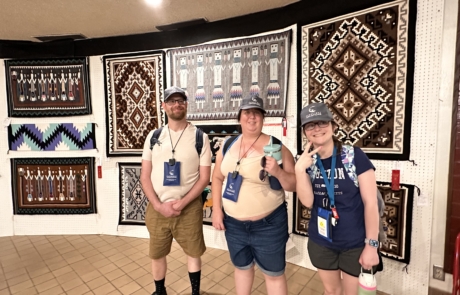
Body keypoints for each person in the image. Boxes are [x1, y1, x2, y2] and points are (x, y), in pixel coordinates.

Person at [211, 95, 296, 295]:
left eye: (257, 113)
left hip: (269, 226)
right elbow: (216, 178)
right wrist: (216, 210)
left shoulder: (277, 147)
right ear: (239, 117)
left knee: (274, 275)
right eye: (247, 112)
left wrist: (278, 172)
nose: (252, 117)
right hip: (234, 225)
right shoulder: (227, 145)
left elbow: (293, 185)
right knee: (242, 269)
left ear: (263, 118)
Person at [295, 103, 380, 295]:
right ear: (305, 132)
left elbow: (371, 203)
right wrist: (299, 170)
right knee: (332, 291)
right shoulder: (306, 162)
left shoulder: (353, 156)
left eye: (322, 122)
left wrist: (371, 245)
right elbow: (307, 202)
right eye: (310, 125)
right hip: (322, 241)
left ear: (333, 126)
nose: (317, 128)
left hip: (355, 243)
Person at [140, 86, 212, 295]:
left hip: (188, 208)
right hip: (157, 208)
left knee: (193, 253)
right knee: (157, 253)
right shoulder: (153, 137)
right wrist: (158, 205)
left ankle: (195, 292)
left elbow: (204, 178)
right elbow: (145, 176)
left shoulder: (200, 137)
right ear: (164, 106)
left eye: (181, 100)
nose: (176, 104)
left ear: (186, 105)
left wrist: (182, 203)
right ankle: (160, 291)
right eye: (171, 101)